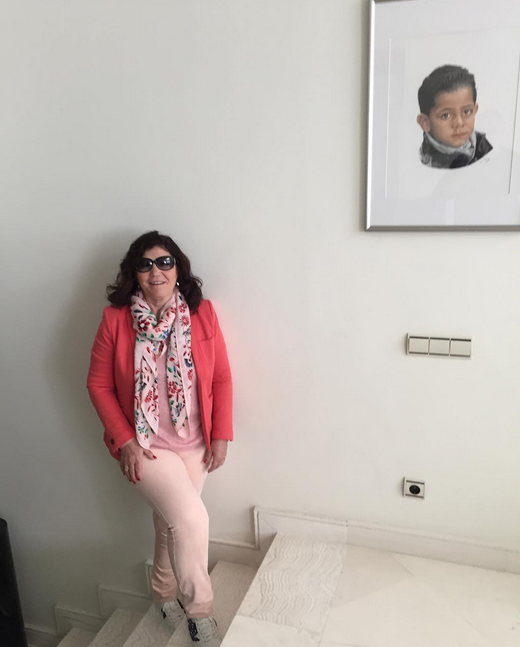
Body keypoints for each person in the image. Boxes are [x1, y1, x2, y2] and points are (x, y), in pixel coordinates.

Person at [87, 230, 232, 647]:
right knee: (191, 519)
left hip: (195, 443)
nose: (156, 271)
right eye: (146, 263)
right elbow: (98, 385)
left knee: (170, 525)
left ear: (178, 268)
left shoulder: (202, 314)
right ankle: (200, 612)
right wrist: (125, 441)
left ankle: (163, 592)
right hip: (147, 447)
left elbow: (221, 377)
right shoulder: (115, 320)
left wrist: (221, 434)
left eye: (165, 261)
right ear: (134, 273)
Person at [417, 64, 493, 169]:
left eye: (467, 112)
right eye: (445, 115)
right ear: (425, 122)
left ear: (475, 110)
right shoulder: (426, 163)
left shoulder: (483, 146)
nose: (459, 123)